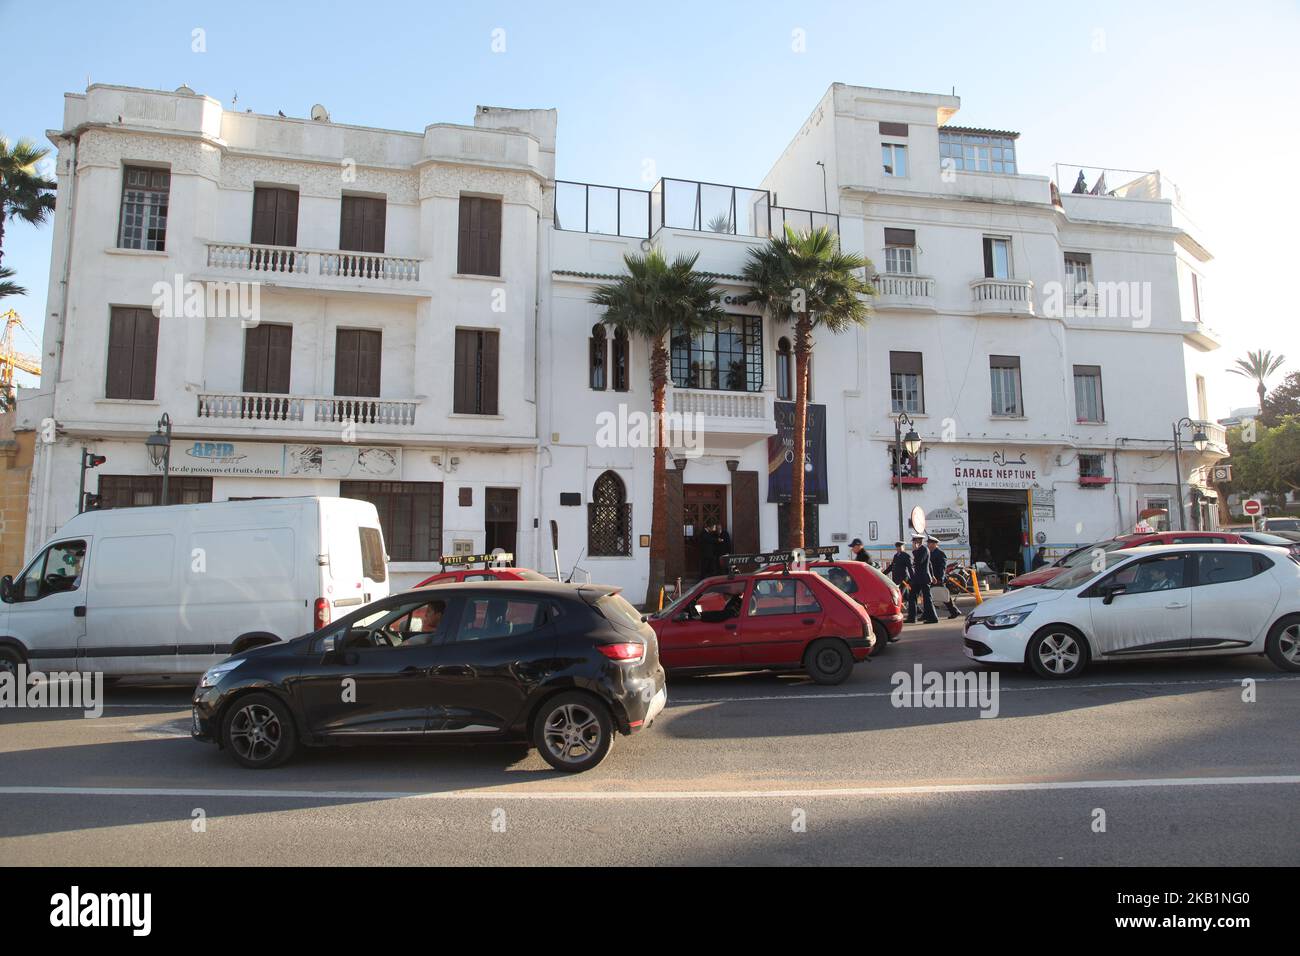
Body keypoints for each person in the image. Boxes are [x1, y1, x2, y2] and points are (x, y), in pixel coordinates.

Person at [907, 534, 939, 624]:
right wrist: (932, 575)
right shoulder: (921, 550)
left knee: (927, 599)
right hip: (918, 578)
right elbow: (929, 564)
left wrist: (914, 551)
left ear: (918, 541)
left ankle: (933, 618)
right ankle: (912, 617)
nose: (913, 543)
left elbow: (919, 561)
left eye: (914, 542)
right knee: (912, 597)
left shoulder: (924, 549)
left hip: (923, 578)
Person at [927, 536, 960, 619]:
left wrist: (940, 579)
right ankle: (954, 611)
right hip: (932, 578)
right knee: (932, 595)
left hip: (938, 578)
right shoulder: (931, 552)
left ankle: (954, 611)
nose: (928, 545)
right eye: (928, 543)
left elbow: (942, 567)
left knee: (943, 595)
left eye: (930, 543)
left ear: (934, 544)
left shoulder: (940, 553)